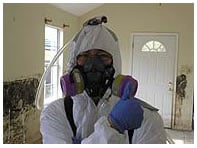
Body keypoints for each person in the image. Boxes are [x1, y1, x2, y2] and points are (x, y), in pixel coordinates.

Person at [40, 16, 167, 144]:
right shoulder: (55, 114)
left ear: (115, 64)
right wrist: (113, 126)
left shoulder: (145, 119)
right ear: (74, 63)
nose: (93, 64)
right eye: (84, 56)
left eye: (103, 56)